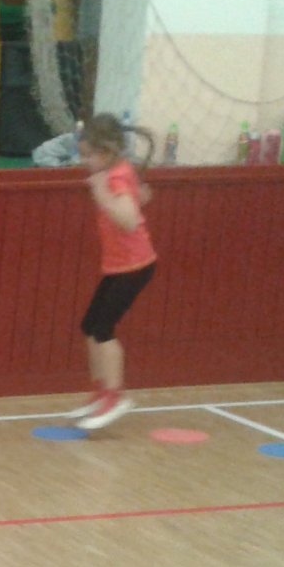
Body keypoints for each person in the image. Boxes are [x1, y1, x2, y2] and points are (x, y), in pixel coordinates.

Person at [66, 113, 159, 431]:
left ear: (106, 152)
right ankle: (101, 392)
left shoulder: (115, 178)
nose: (85, 162)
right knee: (90, 326)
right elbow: (137, 200)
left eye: (89, 155)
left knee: (103, 330)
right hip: (120, 265)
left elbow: (128, 221)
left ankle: (116, 397)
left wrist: (102, 193)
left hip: (135, 266)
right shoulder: (119, 171)